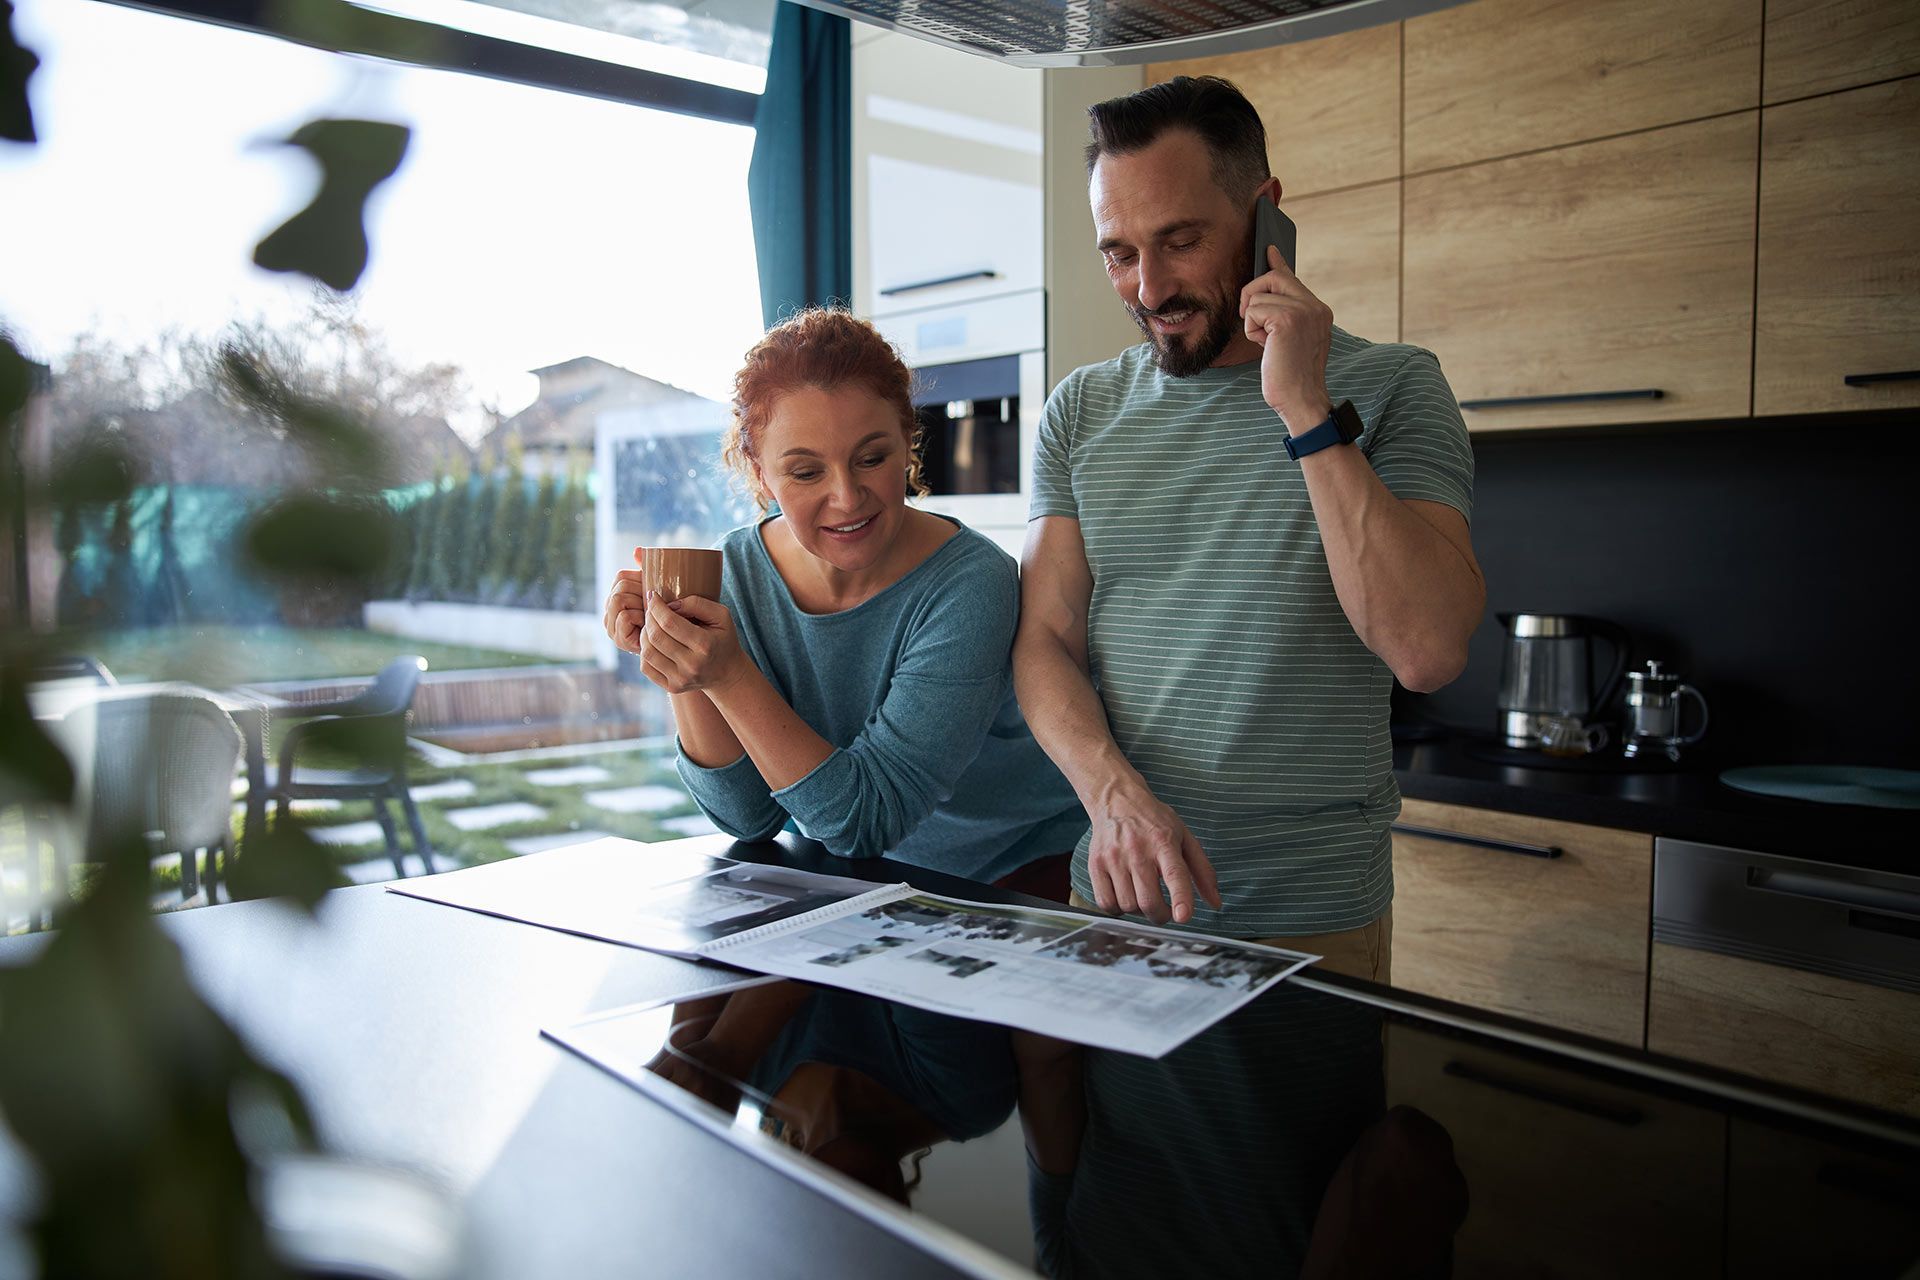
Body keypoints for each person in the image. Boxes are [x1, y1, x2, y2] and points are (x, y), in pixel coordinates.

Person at [1013, 75, 1485, 975]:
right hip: (1113, 899)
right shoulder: (1080, 410)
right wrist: (1113, 799)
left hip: (1308, 918)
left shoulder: (1395, 388)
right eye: (1118, 253)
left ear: (1266, 214)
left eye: (1180, 241)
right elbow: (1042, 641)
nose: (1149, 288)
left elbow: (1427, 650)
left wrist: (1303, 407)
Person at [603, 307, 1086, 890]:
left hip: (1009, 874)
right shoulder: (733, 571)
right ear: (759, 474)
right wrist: (686, 667)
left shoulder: (971, 583)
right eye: (806, 472)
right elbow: (746, 820)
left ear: (908, 443)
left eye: (872, 458)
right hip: (851, 880)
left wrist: (726, 674)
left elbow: (866, 823)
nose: (847, 497)